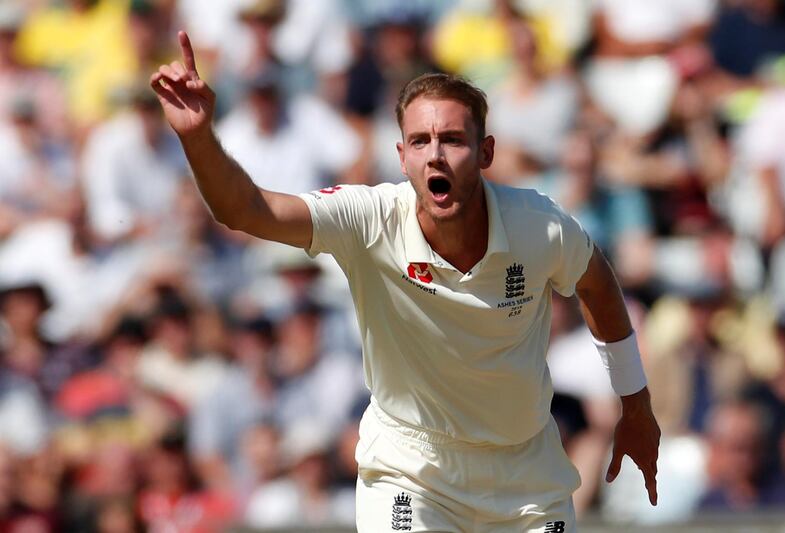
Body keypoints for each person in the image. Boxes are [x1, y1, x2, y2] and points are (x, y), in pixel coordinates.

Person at [150, 31, 660, 532]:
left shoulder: (540, 225)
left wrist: (635, 403)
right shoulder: (368, 217)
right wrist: (197, 137)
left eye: (453, 140)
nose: (435, 154)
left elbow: (596, 283)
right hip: (411, 473)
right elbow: (245, 210)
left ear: (486, 153)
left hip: (526, 478)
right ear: (401, 156)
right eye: (420, 141)